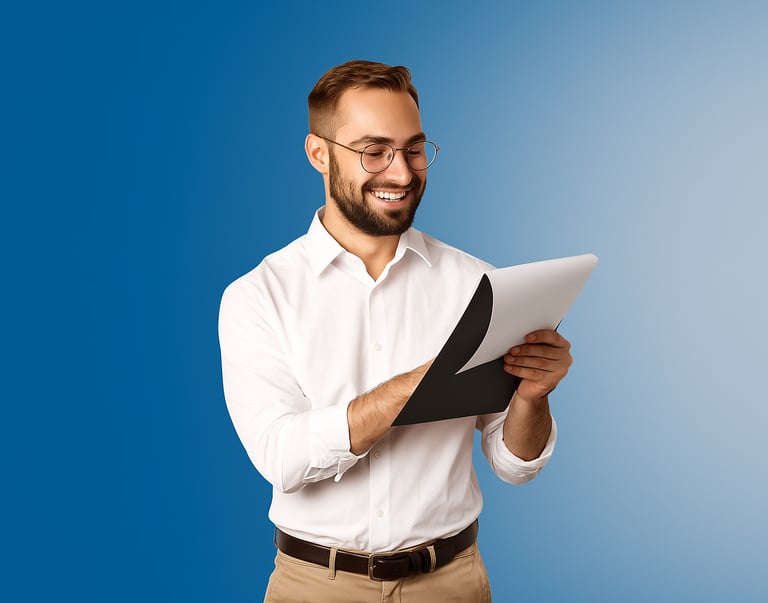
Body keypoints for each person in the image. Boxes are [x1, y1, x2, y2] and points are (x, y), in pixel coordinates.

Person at [218, 60, 573, 603]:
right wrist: (411, 391)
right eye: (374, 151)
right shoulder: (259, 296)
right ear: (318, 154)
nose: (403, 174)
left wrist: (532, 396)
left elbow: (514, 466)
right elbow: (282, 457)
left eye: (414, 149)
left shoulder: (479, 286)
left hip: (450, 582)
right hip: (315, 586)